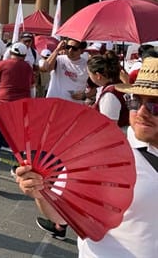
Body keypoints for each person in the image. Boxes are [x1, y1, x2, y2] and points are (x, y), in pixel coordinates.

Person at [15, 57, 158, 256]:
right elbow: (61, 216)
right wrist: (40, 193)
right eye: (135, 101)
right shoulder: (102, 156)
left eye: (154, 106)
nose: (141, 112)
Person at [0, 42, 34, 190]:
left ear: (11, 52)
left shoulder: (2, 64)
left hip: (3, 105)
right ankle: (17, 168)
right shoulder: (28, 68)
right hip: (21, 107)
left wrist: (0, 97)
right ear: (24, 55)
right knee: (18, 140)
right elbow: (33, 90)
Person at [87, 51, 128, 129]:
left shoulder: (110, 95)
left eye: (89, 74)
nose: (89, 77)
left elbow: (110, 128)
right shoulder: (118, 86)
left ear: (98, 75)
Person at [42, 38, 89, 104]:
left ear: (82, 51)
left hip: (74, 106)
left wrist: (85, 95)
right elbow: (46, 68)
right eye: (68, 47)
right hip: (55, 102)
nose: (70, 50)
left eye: (74, 48)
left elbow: (95, 88)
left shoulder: (87, 65)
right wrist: (57, 50)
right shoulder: (59, 59)